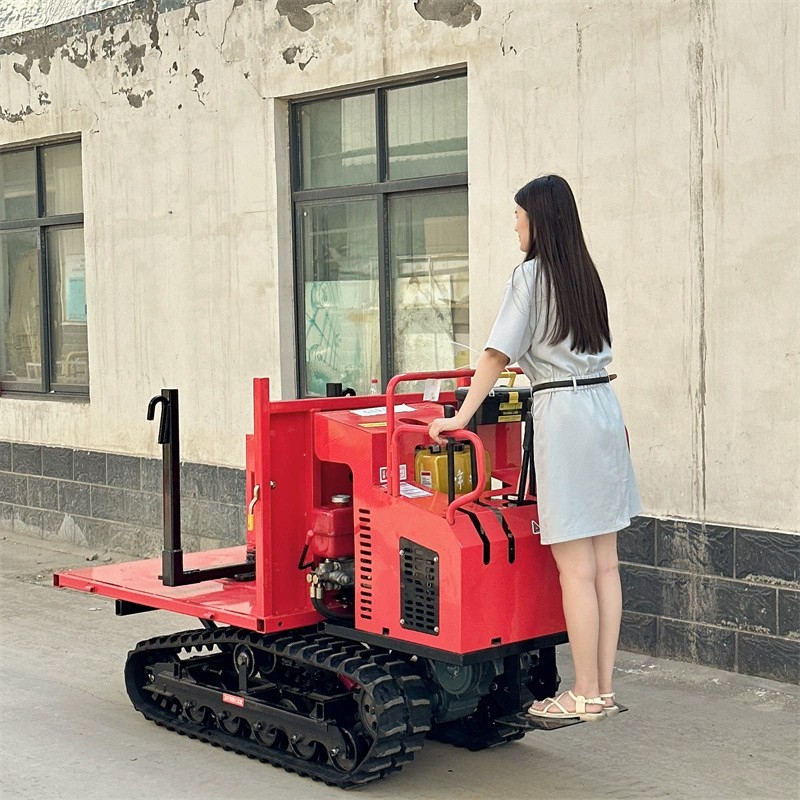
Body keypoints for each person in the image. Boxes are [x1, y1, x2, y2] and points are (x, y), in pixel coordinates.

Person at [429, 174, 642, 722]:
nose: (514, 226)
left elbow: (496, 355)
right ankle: (603, 690)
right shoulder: (585, 276)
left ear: (539, 221)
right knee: (605, 565)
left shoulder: (529, 277)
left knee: (576, 569)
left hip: (565, 416)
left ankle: (584, 692)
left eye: (519, 217)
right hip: (602, 407)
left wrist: (460, 417)